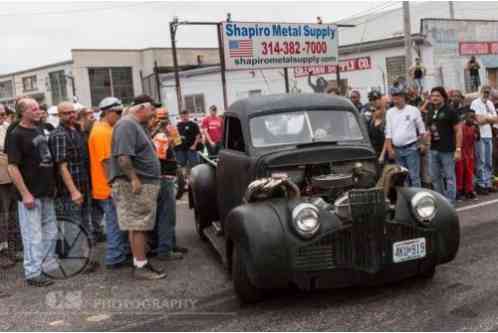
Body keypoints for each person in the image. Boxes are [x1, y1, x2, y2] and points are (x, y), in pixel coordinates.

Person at [109, 94, 166, 280]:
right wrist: (133, 179)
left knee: (137, 225)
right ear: (141, 107)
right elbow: (123, 157)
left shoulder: (134, 125)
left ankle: (140, 263)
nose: (153, 112)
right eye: (151, 108)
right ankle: (141, 266)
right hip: (135, 184)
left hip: (142, 182)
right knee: (139, 225)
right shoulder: (126, 124)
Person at [6, 98, 58, 287]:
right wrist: (25, 194)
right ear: (23, 112)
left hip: (46, 191)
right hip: (30, 194)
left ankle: (46, 265)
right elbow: (12, 167)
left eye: (38, 108)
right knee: (32, 235)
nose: (39, 111)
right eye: (34, 109)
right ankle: (33, 272)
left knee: (50, 231)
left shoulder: (38, 129)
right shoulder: (16, 134)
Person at [49, 101, 99, 272]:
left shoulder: (76, 130)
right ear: (59, 115)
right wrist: (73, 191)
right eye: (66, 113)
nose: (71, 115)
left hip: (84, 184)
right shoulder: (59, 134)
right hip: (72, 189)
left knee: (85, 223)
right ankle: (78, 263)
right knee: (74, 225)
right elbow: (61, 166)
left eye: (72, 112)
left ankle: (86, 259)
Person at [88, 97, 130, 269]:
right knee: (114, 223)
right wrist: (114, 186)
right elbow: (106, 162)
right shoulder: (102, 132)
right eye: (118, 113)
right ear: (107, 112)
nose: (120, 116)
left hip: (105, 186)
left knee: (116, 222)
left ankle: (118, 254)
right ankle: (115, 257)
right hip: (107, 187)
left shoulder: (104, 129)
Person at [151, 110, 188, 260]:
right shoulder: (159, 136)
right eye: (163, 118)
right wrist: (168, 140)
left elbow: (177, 145)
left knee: (166, 215)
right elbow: (160, 157)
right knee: (167, 215)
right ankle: (165, 250)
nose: (165, 121)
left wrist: (172, 138)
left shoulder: (164, 133)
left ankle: (170, 244)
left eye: (166, 117)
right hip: (164, 179)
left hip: (166, 177)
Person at [385, 87, 428, 187]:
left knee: (414, 177)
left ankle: (417, 200)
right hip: (397, 150)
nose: (395, 100)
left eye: (398, 97)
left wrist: (423, 144)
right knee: (403, 178)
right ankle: (407, 200)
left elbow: (421, 129)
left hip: (411, 148)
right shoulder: (390, 112)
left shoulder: (413, 110)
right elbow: (388, 132)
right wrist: (390, 149)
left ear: (403, 97)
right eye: (394, 97)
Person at [425, 87, 462, 204]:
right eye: (432, 96)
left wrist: (458, 149)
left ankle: (450, 201)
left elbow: (458, 131)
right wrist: (426, 139)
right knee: (435, 177)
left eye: (437, 96)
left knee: (449, 177)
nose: (434, 98)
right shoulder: (430, 111)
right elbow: (429, 129)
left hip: (447, 150)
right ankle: (441, 201)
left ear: (443, 97)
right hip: (433, 149)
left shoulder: (450, 111)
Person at [470, 86, 498, 194]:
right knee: (481, 161)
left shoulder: (490, 103)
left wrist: (485, 118)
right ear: (480, 92)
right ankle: (481, 184)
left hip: (489, 134)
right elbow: (477, 119)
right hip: (480, 135)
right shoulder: (475, 103)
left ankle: (488, 183)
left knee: (488, 161)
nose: (486, 94)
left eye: (488, 92)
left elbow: (496, 119)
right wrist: (489, 118)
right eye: (484, 92)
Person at [0, 104, 17, 268]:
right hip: (1, 181)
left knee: (12, 215)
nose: (3, 117)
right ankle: (3, 252)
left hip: (12, 178)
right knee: (2, 217)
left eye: (4, 114)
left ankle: (12, 249)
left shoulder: (7, 128)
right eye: (0, 114)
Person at [456, 109, 479, 200]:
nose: (472, 119)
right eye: (470, 117)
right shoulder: (460, 126)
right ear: (465, 117)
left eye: (473, 117)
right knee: (459, 172)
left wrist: (477, 129)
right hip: (461, 152)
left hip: (469, 153)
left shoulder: (474, 127)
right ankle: (459, 191)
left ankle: (469, 190)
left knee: (469, 172)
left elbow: (477, 139)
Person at [366, 91, 387, 159]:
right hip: (374, 152)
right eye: (371, 100)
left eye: (375, 99)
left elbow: (388, 137)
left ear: (381, 99)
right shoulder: (369, 116)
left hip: (385, 151)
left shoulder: (389, 114)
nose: (373, 101)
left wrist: (383, 154)